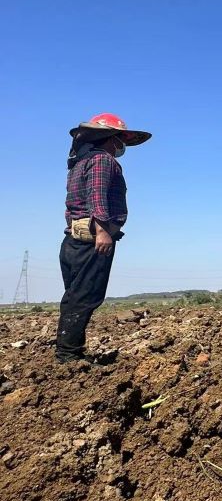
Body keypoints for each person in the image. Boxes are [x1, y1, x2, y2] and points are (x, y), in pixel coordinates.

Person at [58, 113, 152, 364]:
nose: (122, 145)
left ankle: (69, 351)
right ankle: (68, 356)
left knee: (75, 296)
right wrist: (102, 232)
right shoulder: (102, 160)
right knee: (85, 297)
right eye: (120, 139)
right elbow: (97, 196)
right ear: (110, 138)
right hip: (92, 240)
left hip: (73, 240)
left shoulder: (80, 163)